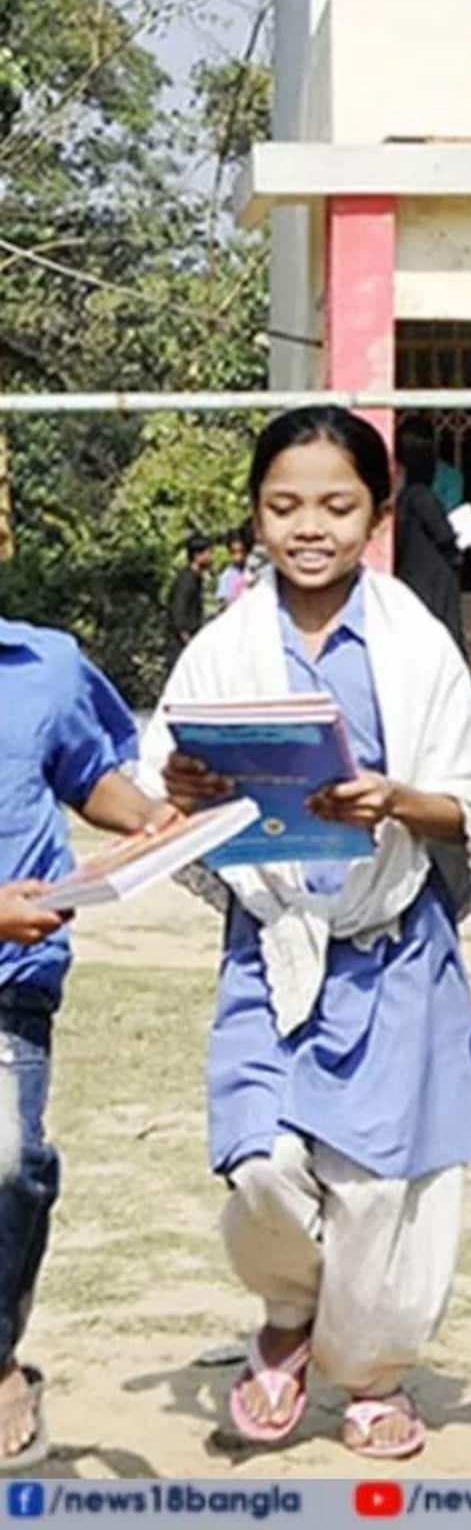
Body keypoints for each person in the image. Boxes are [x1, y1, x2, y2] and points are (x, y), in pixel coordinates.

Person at [141, 405, 471, 1461]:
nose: (310, 527)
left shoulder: (415, 643)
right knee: (257, 1165)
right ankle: (290, 1315)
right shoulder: (222, 646)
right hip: (274, 940)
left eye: (338, 505)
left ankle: (377, 1373)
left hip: (391, 944)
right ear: (254, 515)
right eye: (284, 505)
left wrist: (398, 799)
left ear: (379, 515)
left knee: (389, 1188)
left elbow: (467, 805)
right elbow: (167, 786)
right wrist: (184, 782)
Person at [0, 623, 177, 1472]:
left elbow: (87, 774)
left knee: (6, 1165)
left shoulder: (46, 666)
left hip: (11, 976)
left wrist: (146, 818)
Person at [393, 425, 467, 659]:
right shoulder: (421, 496)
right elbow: (443, 533)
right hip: (434, 578)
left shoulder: (404, 499)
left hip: (412, 575)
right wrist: (455, 554)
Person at [170, 533, 213, 649]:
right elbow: (178, 612)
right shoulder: (187, 580)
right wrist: (188, 643)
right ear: (197, 555)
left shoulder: (196, 578)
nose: (211, 557)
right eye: (208, 553)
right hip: (185, 643)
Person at [216, 528, 253, 607]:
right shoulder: (226, 576)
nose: (237, 556)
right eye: (233, 552)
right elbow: (223, 603)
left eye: (241, 551)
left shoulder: (254, 571)